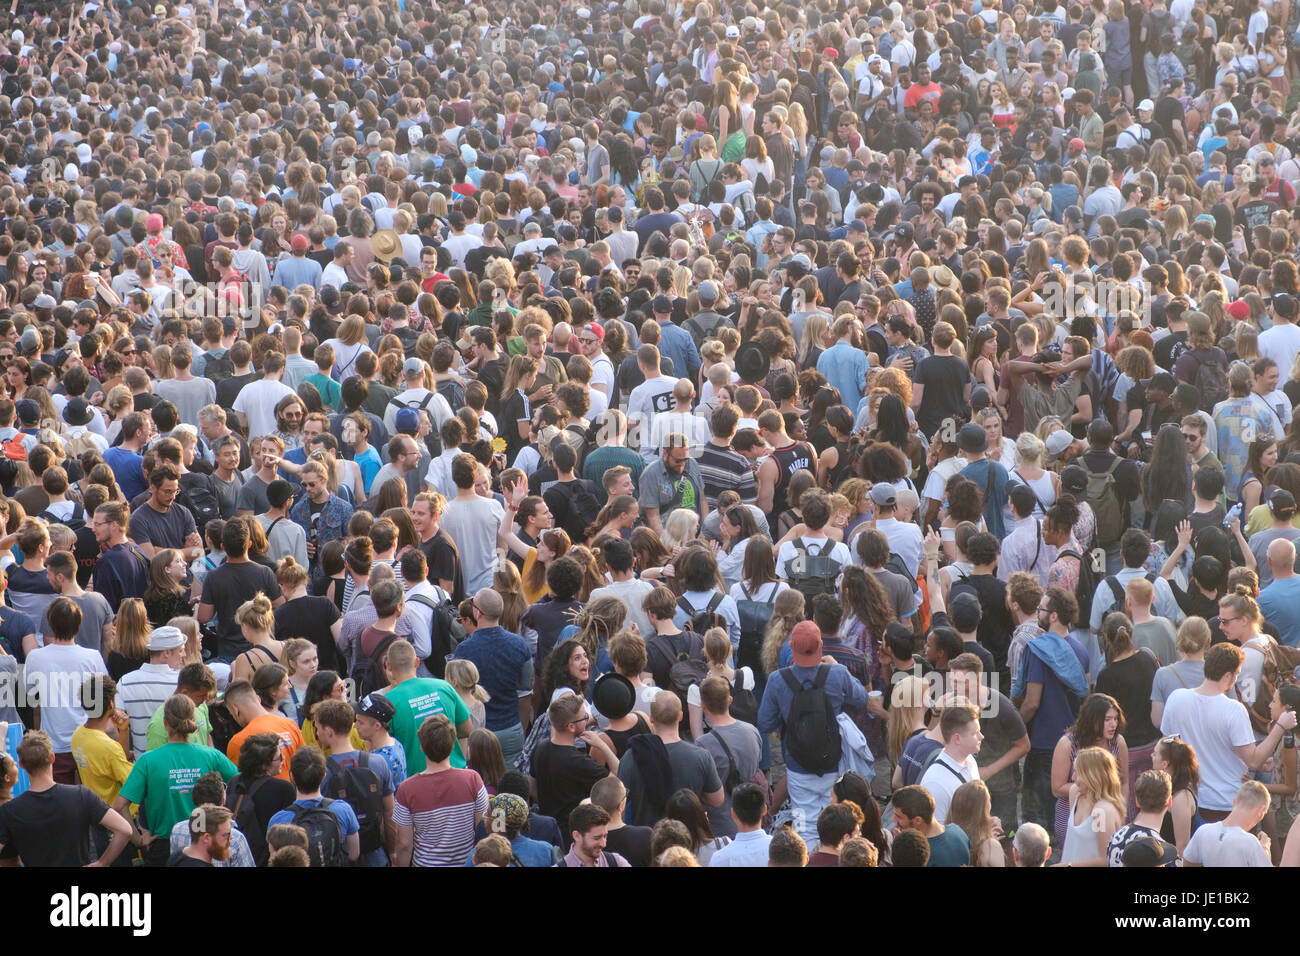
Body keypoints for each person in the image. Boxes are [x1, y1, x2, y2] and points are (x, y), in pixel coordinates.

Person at [757, 620, 867, 843]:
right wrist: (839, 667)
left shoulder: (778, 680)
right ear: (820, 646)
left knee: (804, 827)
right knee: (835, 823)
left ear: (792, 646)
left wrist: (787, 715)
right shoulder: (837, 673)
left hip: (797, 765)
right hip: (833, 762)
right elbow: (862, 697)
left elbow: (764, 723)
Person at [1160, 643, 1297, 820]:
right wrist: (1280, 727)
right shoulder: (1234, 710)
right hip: (1229, 803)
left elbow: (1166, 747)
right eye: (1237, 673)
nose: (1237, 679)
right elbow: (1254, 761)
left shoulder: (1176, 698)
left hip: (1190, 801)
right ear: (1228, 676)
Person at [112, 695, 237, 866]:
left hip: (163, 846)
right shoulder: (211, 755)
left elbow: (119, 805)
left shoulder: (148, 761)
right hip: (207, 842)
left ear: (165, 723)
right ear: (193, 720)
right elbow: (241, 782)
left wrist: (138, 839)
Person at [0, 730, 133, 867]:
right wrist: (102, 862)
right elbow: (125, 830)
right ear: (52, 758)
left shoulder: (9, 811)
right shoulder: (81, 796)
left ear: (21, 764)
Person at [22, 596, 109, 781]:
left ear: (51, 624)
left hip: (55, 746)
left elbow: (31, 697)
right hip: (88, 742)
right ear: (78, 625)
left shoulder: (35, 658)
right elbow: (105, 698)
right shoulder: (93, 657)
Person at [451, 588, 534, 770]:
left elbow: (455, 691)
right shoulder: (518, 644)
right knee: (511, 787)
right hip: (510, 729)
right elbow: (528, 683)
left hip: (477, 732)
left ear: (477, 613)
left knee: (481, 789)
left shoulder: (464, 650)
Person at [392, 714, 490, 867]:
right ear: (452, 745)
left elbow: (404, 844)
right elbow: (484, 829)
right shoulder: (473, 780)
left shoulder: (406, 789)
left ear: (422, 747)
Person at [383, 639, 473, 775]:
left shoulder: (388, 701)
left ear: (389, 666)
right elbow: (467, 729)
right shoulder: (444, 686)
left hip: (415, 781)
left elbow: (385, 748)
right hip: (454, 772)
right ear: (417, 662)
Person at [266, 746, 361, 866]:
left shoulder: (278, 821)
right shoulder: (343, 810)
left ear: (292, 777)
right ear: (324, 776)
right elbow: (353, 854)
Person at [918, 701, 984, 823]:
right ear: (957, 738)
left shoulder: (970, 760)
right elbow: (936, 835)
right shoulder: (935, 784)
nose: (981, 736)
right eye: (975, 733)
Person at [1182, 780, 1274, 866]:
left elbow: (1186, 864)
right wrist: (1265, 849)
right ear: (1260, 811)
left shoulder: (1203, 831)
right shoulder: (1250, 842)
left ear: (1234, 802)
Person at [891, 784, 970, 868]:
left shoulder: (919, 854)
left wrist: (901, 852)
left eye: (899, 817)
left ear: (918, 820)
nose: (894, 820)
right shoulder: (958, 832)